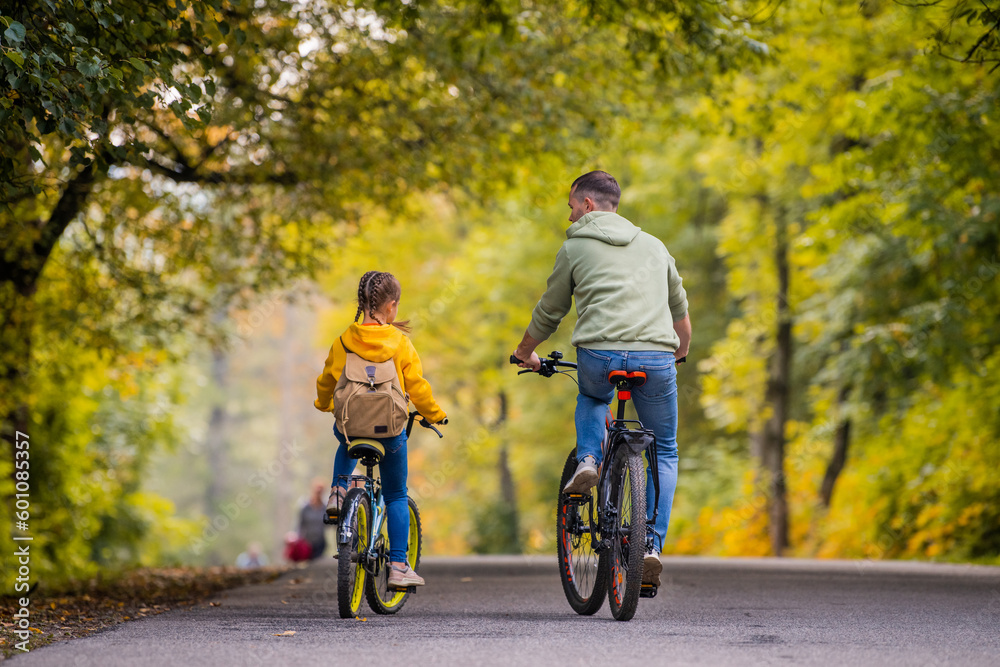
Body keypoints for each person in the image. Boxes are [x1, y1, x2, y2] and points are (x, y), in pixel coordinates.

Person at [512, 171, 691, 587]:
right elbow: (680, 310)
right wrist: (680, 351)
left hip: (598, 352)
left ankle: (589, 460)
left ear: (588, 205)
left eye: (572, 206)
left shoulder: (574, 247)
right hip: (656, 357)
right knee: (663, 450)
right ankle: (650, 547)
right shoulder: (655, 246)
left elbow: (549, 311)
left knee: (593, 399)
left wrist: (524, 353)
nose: (569, 214)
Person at [314, 270, 447, 588]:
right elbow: (417, 388)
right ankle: (399, 567)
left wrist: (323, 404)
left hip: (352, 428)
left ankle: (338, 490)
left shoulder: (344, 340)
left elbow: (327, 380)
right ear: (391, 306)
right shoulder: (400, 343)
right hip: (389, 433)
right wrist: (435, 415)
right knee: (397, 494)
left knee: (343, 436)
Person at [298, 479, 329, 560]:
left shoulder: (325, 508)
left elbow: (331, 524)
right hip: (306, 544)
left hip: (320, 543)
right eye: (317, 489)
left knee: (317, 564)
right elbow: (299, 524)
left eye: (321, 490)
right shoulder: (305, 507)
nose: (318, 492)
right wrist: (297, 537)